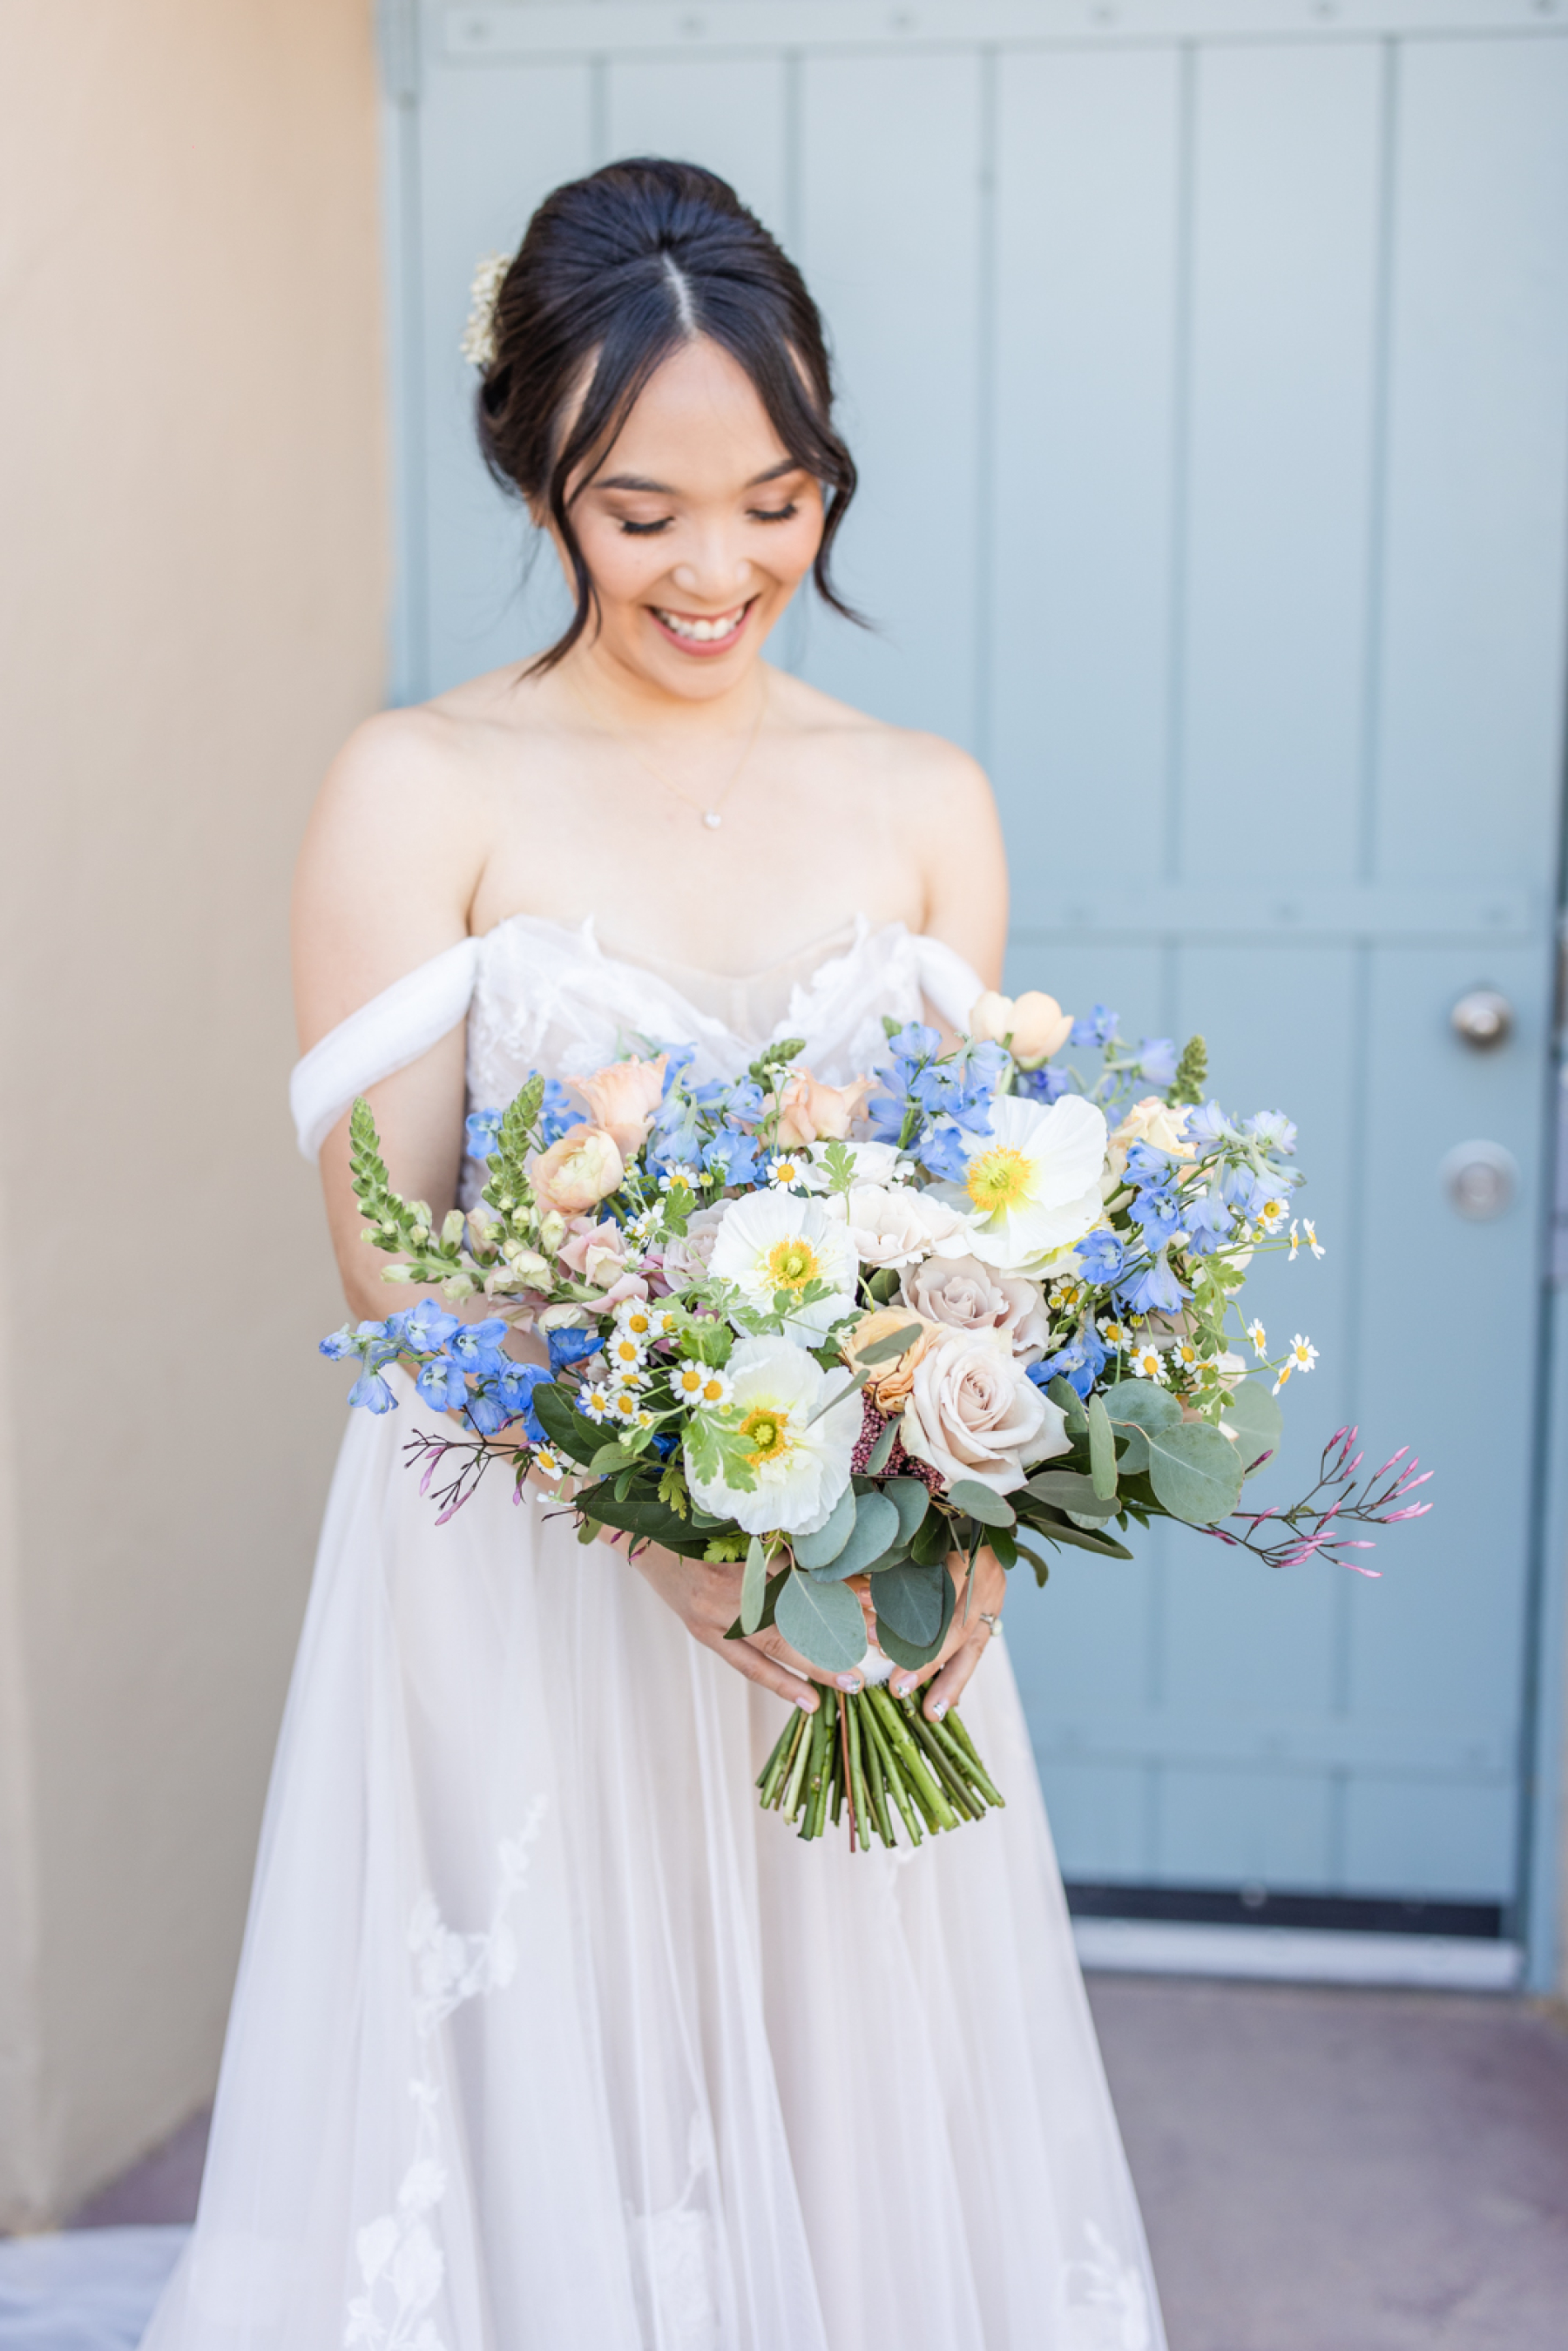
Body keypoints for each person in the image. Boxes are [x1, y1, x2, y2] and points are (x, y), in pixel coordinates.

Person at [143, 159, 1164, 2351]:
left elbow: (959, 1247)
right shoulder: (418, 786)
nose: (723, 570)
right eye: (644, 513)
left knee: (850, 2143)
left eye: (780, 498)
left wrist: (955, 1520)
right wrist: (669, 1539)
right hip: (526, 1592)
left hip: (846, 1613)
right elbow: (395, 1275)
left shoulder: (927, 797)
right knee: (545, 2158)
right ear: (539, 476)